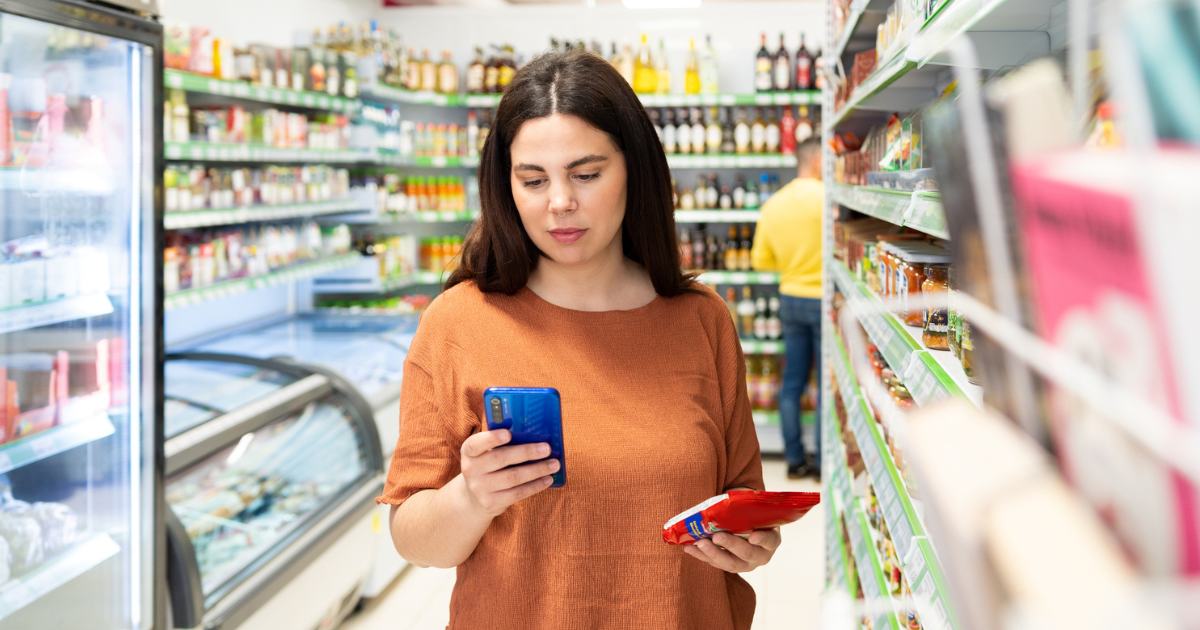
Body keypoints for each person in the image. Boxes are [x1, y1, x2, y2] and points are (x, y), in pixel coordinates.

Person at [378, 49, 780, 630]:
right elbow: (415, 542)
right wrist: (470, 497)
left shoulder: (702, 320)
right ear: (505, 185)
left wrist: (750, 545)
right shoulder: (457, 323)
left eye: (586, 174)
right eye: (533, 180)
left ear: (634, 170)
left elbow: (744, 502)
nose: (560, 202)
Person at [751, 139, 823, 480]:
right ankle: (823, 461)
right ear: (820, 160)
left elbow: (760, 260)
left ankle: (794, 460)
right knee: (824, 382)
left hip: (791, 297)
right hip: (824, 299)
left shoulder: (774, 205)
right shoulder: (829, 199)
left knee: (792, 381)